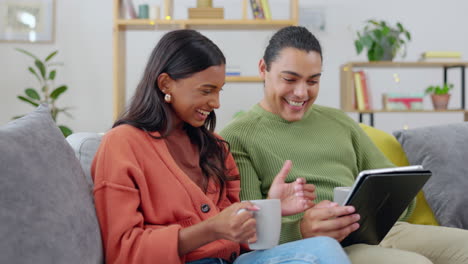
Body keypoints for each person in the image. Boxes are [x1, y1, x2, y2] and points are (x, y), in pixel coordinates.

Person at [91, 29, 351, 264]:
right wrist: (212, 228)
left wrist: (271, 208)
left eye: (219, 91)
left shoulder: (215, 147)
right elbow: (122, 251)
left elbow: (239, 240)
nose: (215, 102)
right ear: (165, 84)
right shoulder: (122, 144)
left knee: (324, 249)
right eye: (206, 91)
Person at [220, 26, 468, 264]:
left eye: (312, 81)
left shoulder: (339, 121)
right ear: (263, 69)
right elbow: (249, 234)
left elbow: (400, 193)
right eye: (290, 79)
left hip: (383, 231)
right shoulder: (237, 137)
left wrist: (381, 209)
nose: (301, 93)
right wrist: (302, 228)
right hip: (322, 244)